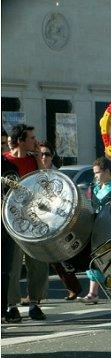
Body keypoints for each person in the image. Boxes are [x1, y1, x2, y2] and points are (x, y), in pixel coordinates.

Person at [4, 124, 49, 321]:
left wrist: (39, 158)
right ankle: (11, 305)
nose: (35, 141)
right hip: (12, 219)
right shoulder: (4, 161)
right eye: (31, 138)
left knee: (38, 261)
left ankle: (35, 303)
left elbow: (46, 183)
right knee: (12, 264)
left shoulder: (34, 160)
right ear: (20, 141)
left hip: (35, 217)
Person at [39, 140, 83, 301]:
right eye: (41, 154)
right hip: (39, 218)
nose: (43, 157)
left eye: (47, 154)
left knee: (58, 256)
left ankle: (73, 287)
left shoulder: (59, 176)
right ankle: (37, 295)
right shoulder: (34, 174)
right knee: (45, 258)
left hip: (57, 218)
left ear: (52, 157)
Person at [78, 157, 111, 304]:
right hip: (95, 224)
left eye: (97, 172)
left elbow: (101, 203)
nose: (95, 175)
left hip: (109, 226)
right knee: (95, 258)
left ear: (107, 171)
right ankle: (93, 293)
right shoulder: (97, 186)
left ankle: (102, 293)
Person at [1, 130, 19, 323]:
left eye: (3, 145)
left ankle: (2, 311)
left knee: (4, 272)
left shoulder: (9, 167)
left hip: (5, 226)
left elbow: (17, 197)